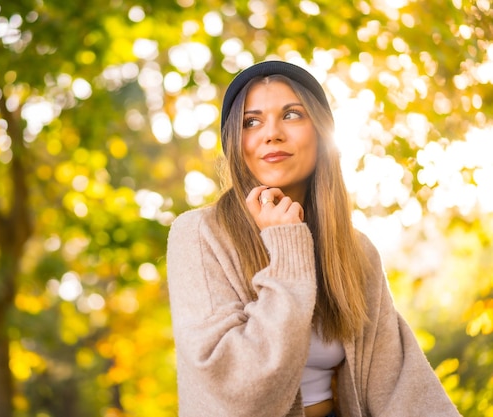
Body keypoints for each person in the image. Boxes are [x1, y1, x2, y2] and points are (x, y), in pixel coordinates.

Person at [166, 60, 461, 417]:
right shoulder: (198, 235)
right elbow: (239, 389)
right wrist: (286, 246)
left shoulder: (357, 251)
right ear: (236, 142)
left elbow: (401, 385)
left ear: (321, 132)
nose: (271, 133)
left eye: (291, 115)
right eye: (252, 121)